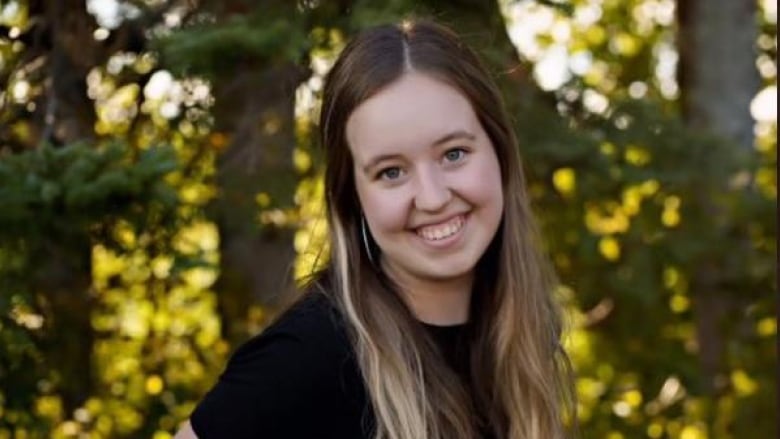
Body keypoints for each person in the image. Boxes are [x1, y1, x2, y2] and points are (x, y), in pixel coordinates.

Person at [175, 18, 574, 439]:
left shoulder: (520, 334)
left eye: (454, 153)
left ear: (500, 153)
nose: (433, 197)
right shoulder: (309, 357)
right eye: (391, 172)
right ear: (353, 199)